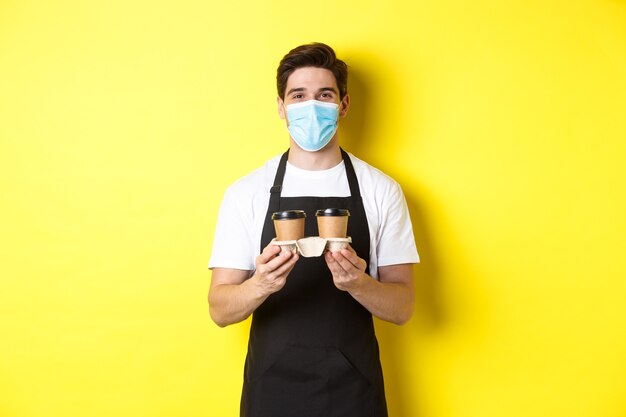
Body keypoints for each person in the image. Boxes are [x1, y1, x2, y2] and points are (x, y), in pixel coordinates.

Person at [208, 42, 420, 417]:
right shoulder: (247, 192)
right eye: (298, 95)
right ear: (281, 107)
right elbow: (220, 310)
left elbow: (403, 307)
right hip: (271, 389)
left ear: (344, 105)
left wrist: (358, 283)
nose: (311, 106)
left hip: (354, 390)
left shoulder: (380, 190)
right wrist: (263, 283)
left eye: (324, 95)